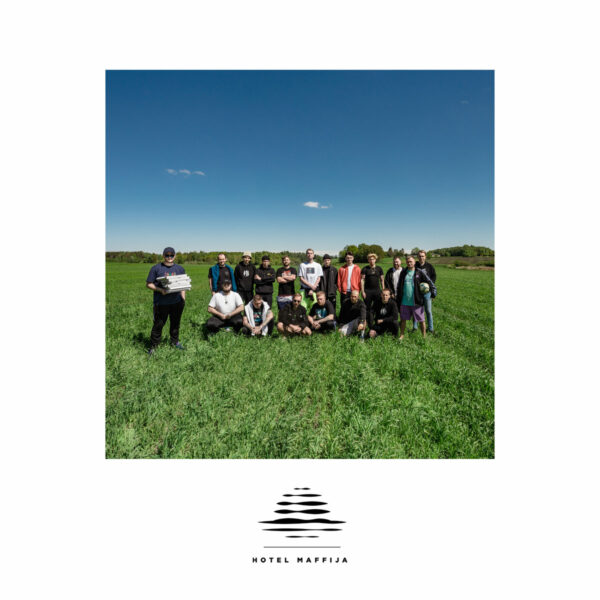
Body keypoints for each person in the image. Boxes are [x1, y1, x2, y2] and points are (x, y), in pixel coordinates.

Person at [145, 246, 186, 354]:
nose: (169, 257)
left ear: (174, 256)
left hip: (177, 302)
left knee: (175, 324)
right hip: (161, 303)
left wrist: (183, 299)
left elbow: (183, 284)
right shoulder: (156, 268)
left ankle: (175, 342)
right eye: (167, 255)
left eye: (171, 255)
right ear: (163, 256)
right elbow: (149, 284)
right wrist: (160, 290)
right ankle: (154, 347)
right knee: (158, 325)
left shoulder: (180, 269)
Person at [397, 255, 435, 340]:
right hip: (405, 301)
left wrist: (433, 293)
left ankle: (424, 336)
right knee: (403, 320)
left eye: (411, 261)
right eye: (407, 262)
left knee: (421, 320)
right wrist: (398, 297)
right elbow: (399, 285)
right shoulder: (403, 273)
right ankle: (401, 335)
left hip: (416, 301)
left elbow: (429, 281)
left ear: (414, 262)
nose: (409, 263)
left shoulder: (419, 272)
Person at [412, 250, 437, 334]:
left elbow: (434, 276)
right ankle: (415, 328)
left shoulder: (429, 266)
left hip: (427, 292)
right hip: (417, 292)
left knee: (428, 311)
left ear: (425, 257)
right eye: (419, 256)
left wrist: (429, 287)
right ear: (417, 257)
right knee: (416, 310)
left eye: (422, 256)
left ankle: (430, 329)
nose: (421, 257)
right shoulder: (415, 265)